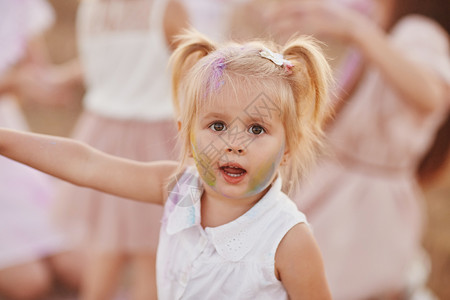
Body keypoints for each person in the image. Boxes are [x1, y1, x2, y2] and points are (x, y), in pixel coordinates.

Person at [0, 29, 333, 299]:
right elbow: (86, 165)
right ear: (186, 135)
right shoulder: (180, 189)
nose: (234, 143)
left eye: (257, 129)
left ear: (288, 146)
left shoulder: (288, 240)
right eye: (217, 126)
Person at [269, 0, 450, 299]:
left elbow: (432, 94)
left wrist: (360, 32)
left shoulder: (417, 31)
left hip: (366, 204)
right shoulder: (380, 21)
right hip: (341, 186)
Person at [20, 0, 189, 299]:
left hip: (101, 130)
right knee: (152, 251)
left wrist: (62, 77)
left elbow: (101, 61)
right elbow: (194, 67)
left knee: (105, 244)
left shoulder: (94, 7)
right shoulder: (167, 7)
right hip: (154, 133)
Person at [0, 0, 83, 299]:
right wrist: (15, 83)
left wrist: (80, 73)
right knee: (29, 283)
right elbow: (19, 81)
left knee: (80, 268)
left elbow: (40, 75)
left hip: (8, 138)